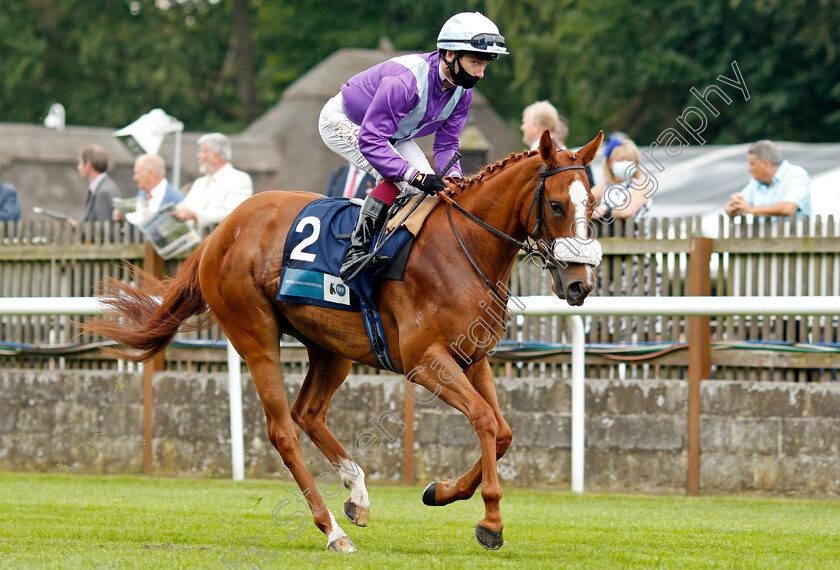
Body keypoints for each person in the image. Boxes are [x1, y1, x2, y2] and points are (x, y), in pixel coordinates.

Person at [318, 11, 509, 281]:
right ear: (450, 55)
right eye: (475, 62)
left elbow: (447, 144)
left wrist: (454, 179)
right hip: (346, 122)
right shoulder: (404, 82)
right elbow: (371, 140)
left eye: (485, 65)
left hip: (392, 134)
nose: (481, 72)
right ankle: (356, 251)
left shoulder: (463, 94)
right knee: (400, 178)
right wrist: (415, 175)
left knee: (433, 193)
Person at [173, 133, 253, 233]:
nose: (198, 156)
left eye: (202, 152)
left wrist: (195, 215)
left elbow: (232, 214)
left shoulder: (239, 179)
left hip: (220, 245)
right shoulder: (199, 182)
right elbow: (183, 207)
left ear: (216, 156)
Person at [725, 140, 811, 218]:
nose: (749, 169)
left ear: (765, 164)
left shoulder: (796, 175)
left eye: (752, 164)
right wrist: (733, 204)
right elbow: (737, 207)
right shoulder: (756, 182)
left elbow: (789, 207)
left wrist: (751, 209)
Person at [590, 134, 654, 228]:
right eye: (620, 160)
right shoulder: (605, 186)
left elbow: (626, 211)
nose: (625, 163)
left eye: (629, 160)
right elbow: (583, 203)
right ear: (609, 163)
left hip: (635, 238)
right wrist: (592, 213)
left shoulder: (641, 184)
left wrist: (604, 209)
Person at [114, 154, 184, 223]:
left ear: (150, 173)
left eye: (137, 173)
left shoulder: (176, 198)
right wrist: (123, 219)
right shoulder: (141, 193)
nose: (135, 178)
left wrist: (153, 217)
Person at [68, 145, 123, 228]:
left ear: (89, 165)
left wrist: (77, 227)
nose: (79, 167)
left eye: (81, 163)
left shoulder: (103, 192)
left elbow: (104, 230)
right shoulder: (103, 186)